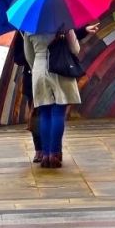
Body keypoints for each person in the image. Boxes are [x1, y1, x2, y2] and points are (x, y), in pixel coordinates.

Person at [23, 23, 99, 169]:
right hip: (60, 69)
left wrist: (38, 66)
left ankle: (45, 155)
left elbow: (29, 55)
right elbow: (75, 49)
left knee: (44, 113)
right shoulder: (64, 23)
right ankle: (54, 154)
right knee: (58, 113)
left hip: (39, 70)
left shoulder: (29, 27)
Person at [13, 32, 41, 162]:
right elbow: (17, 58)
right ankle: (39, 150)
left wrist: (85, 29)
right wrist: (30, 53)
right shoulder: (21, 32)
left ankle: (49, 149)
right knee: (35, 114)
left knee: (48, 114)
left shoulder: (55, 24)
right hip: (31, 78)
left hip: (50, 76)